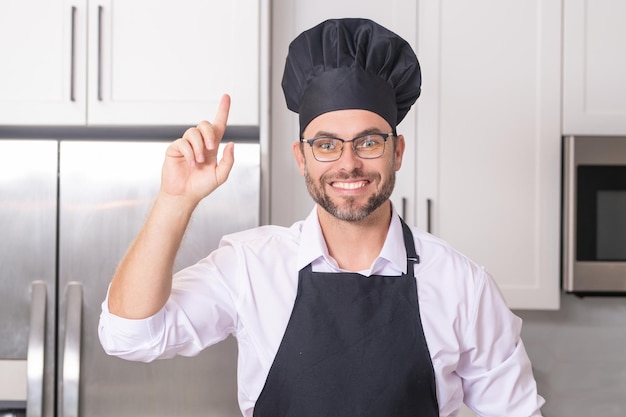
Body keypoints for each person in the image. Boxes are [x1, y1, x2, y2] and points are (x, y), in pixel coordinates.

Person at [99, 18, 545, 417]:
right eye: (327, 145)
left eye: (368, 142)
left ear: (398, 152)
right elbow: (128, 335)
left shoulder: (461, 285)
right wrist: (175, 201)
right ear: (301, 157)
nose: (348, 164)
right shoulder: (251, 266)